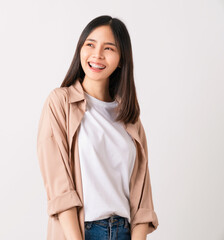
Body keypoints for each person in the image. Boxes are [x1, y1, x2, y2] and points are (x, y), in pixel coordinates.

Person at [36, 15, 159, 240]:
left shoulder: (130, 118)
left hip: (124, 231)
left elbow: (142, 198)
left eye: (109, 48)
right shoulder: (60, 103)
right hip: (82, 231)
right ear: (80, 50)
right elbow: (59, 187)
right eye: (90, 44)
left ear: (122, 59)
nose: (97, 54)